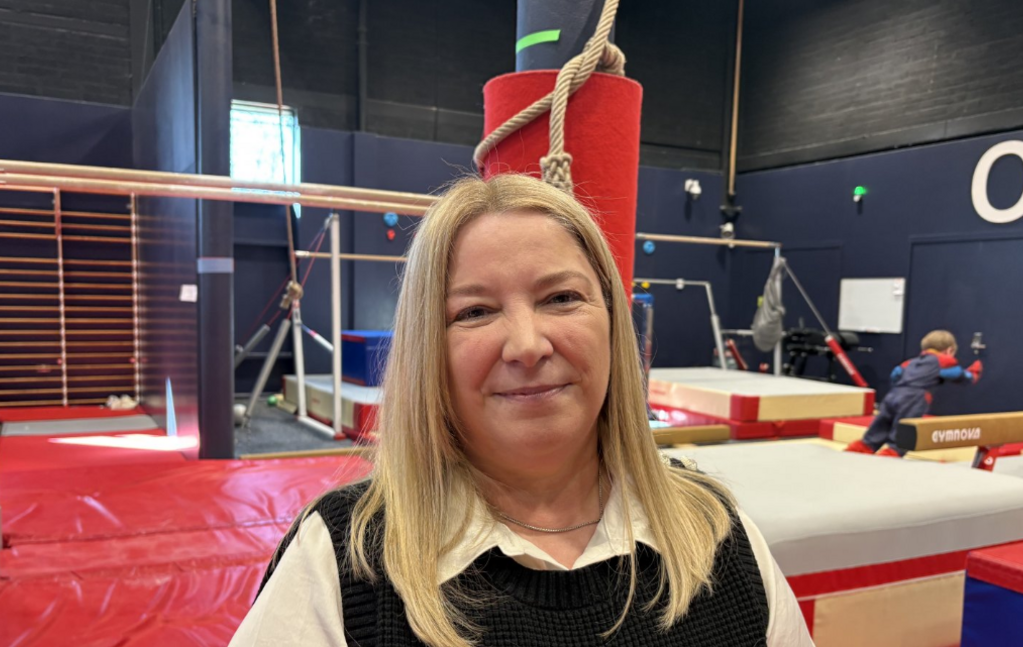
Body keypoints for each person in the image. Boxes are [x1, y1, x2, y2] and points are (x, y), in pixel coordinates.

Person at [229, 174, 812, 646]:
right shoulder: (344, 563)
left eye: (562, 298)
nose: (528, 345)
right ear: (428, 350)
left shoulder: (716, 535)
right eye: (475, 312)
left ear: (613, 322)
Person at [846, 330, 981, 457]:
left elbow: (895, 374)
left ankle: (855, 453)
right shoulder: (943, 361)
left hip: (893, 396)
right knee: (900, 440)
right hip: (913, 399)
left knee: (875, 433)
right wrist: (973, 373)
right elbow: (960, 375)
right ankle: (887, 461)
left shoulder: (910, 362)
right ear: (949, 350)